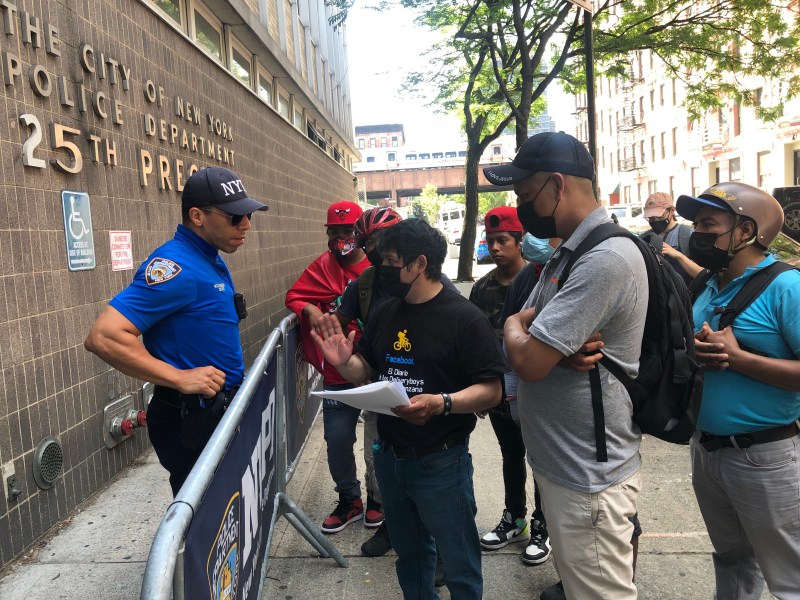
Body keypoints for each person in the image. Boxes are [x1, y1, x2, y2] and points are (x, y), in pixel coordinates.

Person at [486, 131, 648, 600]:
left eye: (525, 194)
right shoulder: (569, 252)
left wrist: (523, 329)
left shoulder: (605, 258)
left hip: (588, 479)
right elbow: (523, 329)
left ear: (557, 186)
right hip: (566, 467)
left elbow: (531, 359)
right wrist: (526, 328)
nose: (522, 207)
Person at [313, 218, 508, 599]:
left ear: (419, 264)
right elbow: (367, 371)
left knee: (459, 562)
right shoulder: (387, 313)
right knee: (411, 559)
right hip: (390, 457)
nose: (381, 269)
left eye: (390, 261)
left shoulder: (463, 318)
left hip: (442, 462)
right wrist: (343, 361)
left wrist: (443, 404)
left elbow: (492, 390)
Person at [84, 166, 268, 495]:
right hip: (192, 417)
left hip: (214, 411)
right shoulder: (176, 267)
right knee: (207, 528)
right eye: (234, 217)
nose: (246, 225)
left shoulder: (209, 256)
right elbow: (104, 336)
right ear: (197, 216)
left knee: (226, 516)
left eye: (248, 216)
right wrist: (180, 377)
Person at [675, 182, 800, 599]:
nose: (698, 232)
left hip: (765, 457)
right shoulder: (708, 283)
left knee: (790, 577)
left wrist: (740, 359)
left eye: (709, 223)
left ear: (746, 231)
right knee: (732, 559)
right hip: (707, 451)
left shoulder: (787, 287)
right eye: (696, 223)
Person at [284, 201, 377, 534]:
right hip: (338, 375)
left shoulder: (375, 266)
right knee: (337, 440)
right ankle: (349, 500)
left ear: (360, 233)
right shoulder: (322, 266)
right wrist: (310, 309)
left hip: (374, 372)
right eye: (335, 231)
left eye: (348, 230)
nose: (341, 237)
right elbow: (294, 295)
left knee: (377, 444)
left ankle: (378, 500)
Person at [470, 206, 549, 566]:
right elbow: (474, 343)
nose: (496, 247)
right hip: (500, 389)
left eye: (503, 240)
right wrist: (482, 387)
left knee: (542, 461)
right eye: (491, 240)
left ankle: (543, 526)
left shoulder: (541, 281)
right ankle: (514, 519)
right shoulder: (481, 288)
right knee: (510, 455)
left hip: (536, 389)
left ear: (521, 243)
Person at [642, 191, 702, 283]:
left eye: (659, 216)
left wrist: (678, 255)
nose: (655, 220)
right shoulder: (644, 238)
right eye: (651, 217)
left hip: (684, 294)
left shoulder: (688, 235)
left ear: (672, 210)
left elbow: (704, 274)